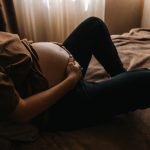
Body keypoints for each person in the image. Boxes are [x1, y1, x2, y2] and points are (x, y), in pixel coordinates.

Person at [0, 17, 150, 132]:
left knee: (94, 25)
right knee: (145, 81)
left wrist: (53, 49)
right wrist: (71, 80)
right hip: (57, 105)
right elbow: (21, 113)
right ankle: (122, 88)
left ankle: (120, 79)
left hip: (66, 70)